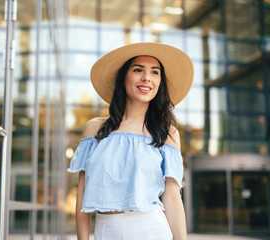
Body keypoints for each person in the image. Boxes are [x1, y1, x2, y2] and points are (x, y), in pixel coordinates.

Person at [67, 42, 194, 240]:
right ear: (123, 77)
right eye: (138, 70)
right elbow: (83, 193)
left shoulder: (167, 133)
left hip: (152, 230)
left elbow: (172, 198)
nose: (146, 78)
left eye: (155, 72)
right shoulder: (95, 129)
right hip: (105, 231)